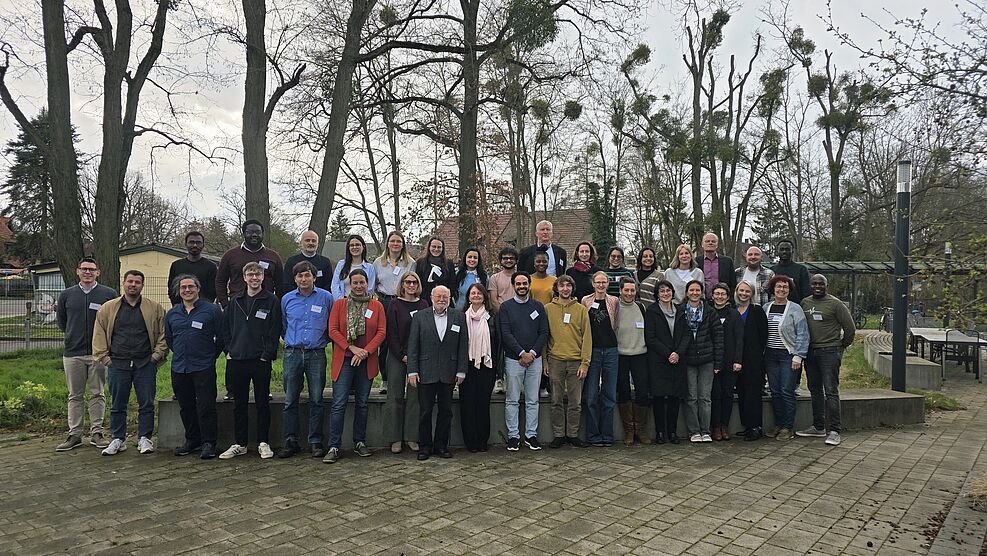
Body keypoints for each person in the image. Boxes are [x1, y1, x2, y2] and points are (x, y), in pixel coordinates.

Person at [92, 270, 168, 456]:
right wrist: (105, 358)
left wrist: (156, 356)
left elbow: (164, 334)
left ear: (142, 286)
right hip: (118, 363)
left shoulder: (155, 308)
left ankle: (145, 438)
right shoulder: (108, 308)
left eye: (137, 282)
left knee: (146, 403)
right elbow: (99, 334)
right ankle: (118, 438)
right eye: (130, 281)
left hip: (145, 363)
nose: (133, 285)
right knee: (118, 404)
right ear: (124, 284)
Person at [219, 262, 281, 460]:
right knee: (239, 404)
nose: (254, 278)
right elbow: (225, 328)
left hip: (260, 360)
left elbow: (275, 329)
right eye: (250, 274)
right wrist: (228, 350)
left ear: (263, 277)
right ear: (244, 277)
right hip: (237, 359)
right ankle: (240, 443)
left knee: (262, 402)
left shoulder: (271, 300)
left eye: (258, 274)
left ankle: (263, 442)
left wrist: (267, 354)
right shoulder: (234, 300)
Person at [55, 257, 118, 452]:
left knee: (97, 393)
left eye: (91, 269)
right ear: (78, 272)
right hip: (73, 353)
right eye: (84, 269)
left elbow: (113, 321)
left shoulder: (108, 294)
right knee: (75, 395)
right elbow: (62, 322)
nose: (88, 273)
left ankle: (97, 432)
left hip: (98, 353)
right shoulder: (67, 295)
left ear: (98, 272)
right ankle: (75, 434)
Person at [325, 269, 386, 463]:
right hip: (344, 359)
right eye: (355, 283)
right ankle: (334, 445)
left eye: (362, 282)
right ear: (349, 285)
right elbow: (333, 331)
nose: (359, 286)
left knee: (362, 403)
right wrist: (351, 347)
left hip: (366, 361)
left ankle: (360, 442)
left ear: (368, 284)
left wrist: (365, 351)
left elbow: (381, 332)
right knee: (339, 403)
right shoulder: (340, 305)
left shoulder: (376, 306)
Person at [276, 261, 334, 459]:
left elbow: (331, 325)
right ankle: (290, 440)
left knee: (317, 399)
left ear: (314, 277)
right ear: (295, 279)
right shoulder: (286, 299)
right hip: (292, 353)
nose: (303, 279)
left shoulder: (326, 298)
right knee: (290, 399)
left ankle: (315, 441)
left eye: (307, 275)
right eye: (300, 276)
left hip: (316, 353)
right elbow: (283, 325)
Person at [164, 274, 223, 459]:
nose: (187, 290)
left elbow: (221, 337)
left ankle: (208, 442)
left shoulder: (212, 310)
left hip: (203, 367)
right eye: (183, 288)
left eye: (191, 287)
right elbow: (169, 338)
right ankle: (192, 440)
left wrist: (210, 356)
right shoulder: (172, 313)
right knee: (186, 406)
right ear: (178, 291)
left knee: (206, 406)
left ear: (198, 288)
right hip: (180, 367)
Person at [407, 286, 468, 460]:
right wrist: (412, 370)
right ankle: (425, 446)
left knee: (446, 411)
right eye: (439, 296)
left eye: (445, 296)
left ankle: (441, 446)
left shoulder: (459, 316)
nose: (442, 299)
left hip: (449, 371)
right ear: (431, 297)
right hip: (426, 371)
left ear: (449, 298)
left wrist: (462, 370)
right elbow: (413, 346)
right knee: (425, 411)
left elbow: (463, 346)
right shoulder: (420, 316)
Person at [797, 274, 855, 447]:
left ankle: (835, 430)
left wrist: (840, 346)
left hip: (830, 351)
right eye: (814, 283)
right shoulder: (805, 303)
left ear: (826, 285)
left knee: (830, 391)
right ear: (810, 285)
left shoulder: (836, 304)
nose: (817, 286)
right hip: (810, 351)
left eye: (820, 284)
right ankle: (818, 426)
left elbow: (850, 328)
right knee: (814, 390)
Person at [499, 271, 549, 451]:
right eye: (518, 284)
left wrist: (533, 353)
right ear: (513, 286)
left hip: (535, 360)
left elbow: (544, 332)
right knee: (512, 399)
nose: (521, 286)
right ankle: (513, 436)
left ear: (529, 285)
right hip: (514, 359)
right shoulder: (506, 307)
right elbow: (506, 334)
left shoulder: (538, 306)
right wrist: (521, 353)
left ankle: (531, 435)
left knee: (532, 399)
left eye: (524, 283)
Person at [543, 275, 591, 449]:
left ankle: (572, 434)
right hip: (555, 360)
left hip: (576, 361)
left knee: (575, 402)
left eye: (568, 286)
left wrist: (585, 363)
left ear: (572, 288)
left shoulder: (581, 309)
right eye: (562, 286)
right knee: (555, 400)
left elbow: (587, 337)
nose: (565, 289)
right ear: (557, 288)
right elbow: (544, 336)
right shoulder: (548, 309)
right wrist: (545, 361)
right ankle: (558, 435)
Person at [384, 271, 428, 454]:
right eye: (407, 282)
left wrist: (415, 356)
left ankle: (412, 437)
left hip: (418, 358)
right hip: (397, 356)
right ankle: (395, 438)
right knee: (394, 396)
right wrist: (402, 355)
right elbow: (391, 332)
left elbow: (427, 331)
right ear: (402, 285)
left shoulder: (424, 304)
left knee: (414, 397)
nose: (411, 285)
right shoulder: (394, 304)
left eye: (414, 282)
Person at [763, 275, 810, 440]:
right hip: (770, 355)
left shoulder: (795, 309)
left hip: (787, 355)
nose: (781, 289)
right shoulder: (766, 307)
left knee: (786, 390)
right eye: (778, 287)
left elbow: (803, 334)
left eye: (785, 287)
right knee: (775, 391)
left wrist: (798, 355)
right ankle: (779, 423)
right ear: (773, 289)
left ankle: (787, 427)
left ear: (789, 290)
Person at [644, 280, 689, 444]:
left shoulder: (681, 311)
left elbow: (687, 334)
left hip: (677, 360)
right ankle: (660, 432)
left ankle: (672, 431)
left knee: (674, 398)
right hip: (659, 360)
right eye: (662, 291)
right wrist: (668, 353)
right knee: (659, 397)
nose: (665, 293)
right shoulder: (651, 311)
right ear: (657, 294)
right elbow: (650, 337)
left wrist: (677, 353)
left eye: (668, 290)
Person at [373, 231, 416, 396]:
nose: (395, 244)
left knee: (403, 339)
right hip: (384, 302)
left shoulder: (410, 263)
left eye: (399, 241)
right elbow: (373, 284)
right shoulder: (378, 262)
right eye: (393, 241)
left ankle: (405, 380)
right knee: (384, 341)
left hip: (402, 302)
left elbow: (412, 281)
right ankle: (385, 379)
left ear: (403, 244)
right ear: (388, 243)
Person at [681, 280, 723, 443]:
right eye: (691, 290)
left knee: (705, 397)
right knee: (691, 397)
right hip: (688, 359)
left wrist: (718, 362)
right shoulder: (680, 310)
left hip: (707, 359)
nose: (694, 293)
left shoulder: (710, 312)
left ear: (702, 292)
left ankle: (705, 430)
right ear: (686, 292)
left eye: (697, 290)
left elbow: (718, 336)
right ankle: (693, 431)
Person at [460, 283, 499, 452]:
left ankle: (482, 440)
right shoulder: (461, 317)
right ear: (468, 296)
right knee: (467, 404)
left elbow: (498, 342)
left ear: (484, 296)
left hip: (486, 365)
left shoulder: (493, 317)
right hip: (467, 364)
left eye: (479, 293)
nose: (476, 296)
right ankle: (470, 441)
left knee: (482, 403)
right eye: (473, 293)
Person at [582, 271, 619, 447]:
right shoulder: (585, 301)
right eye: (598, 282)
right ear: (593, 284)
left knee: (609, 394)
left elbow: (617, 324)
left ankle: (607, 434)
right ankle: (593, 434)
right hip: (593, 351)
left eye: (604, 282)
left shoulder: (614, 301)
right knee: (591, 396)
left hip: (611, 350)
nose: (601, 285)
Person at [615, 278, 651, 446]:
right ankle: (629, 430)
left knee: (643, 392)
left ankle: (641, 429)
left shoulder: (641, 307)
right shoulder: (614, 308)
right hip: (621, 354)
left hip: (640, 354)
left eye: (632, 290)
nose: (629, 293)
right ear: (620, 291)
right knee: (623, 392)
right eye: (626, 290)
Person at [215, 219, 283, 306]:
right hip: (237, 305)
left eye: (258, 232)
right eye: (250, 232)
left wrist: (276, 304)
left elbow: (280, 283)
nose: (254, 235)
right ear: (244, 234)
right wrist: (225, 304)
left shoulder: (273, 257)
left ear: (263, 234)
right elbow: (220, 281)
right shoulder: (230, 255)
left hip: (266, 305)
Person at [734, 280, 769, 441]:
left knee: (753, 394)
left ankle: (755, 427)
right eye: (741, 290)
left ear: (752, 294)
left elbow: (763, 336)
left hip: (753, 360)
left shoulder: (757, 311)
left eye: (747, 291)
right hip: (736, 359)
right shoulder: (733, 310)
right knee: (741, 392)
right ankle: (746, 426)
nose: (744, 294)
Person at [709, 283, 743, 441]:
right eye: (717, 293)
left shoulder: (734, 314)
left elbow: (739, 339)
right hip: (713, 361)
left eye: (723, 294)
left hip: (730, 361)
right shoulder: (708, 312)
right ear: (712, 296)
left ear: (728, 297)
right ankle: (715, 426)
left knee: (727, 394)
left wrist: (738, 360)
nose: (719, 296)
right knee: (715, 394)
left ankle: (724, 425)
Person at [167, 231, 217, 305]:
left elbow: (213, 291)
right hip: (180, 309)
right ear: (186, 244)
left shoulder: (211, 267)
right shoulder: (176, 265)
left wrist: (205, 308)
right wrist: (177, 306)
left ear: (203, 245)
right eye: (191, 242)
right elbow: (172, 289)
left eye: (198, 242)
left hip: (203, 310)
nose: (195, 245)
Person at [281, 230, 333, 295]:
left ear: (318, 243)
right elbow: (287, 283)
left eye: (313, 241)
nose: (311, 243)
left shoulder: (325, 262)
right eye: (307, 240)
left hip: (319, 299)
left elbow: (329, 283)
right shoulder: (291, 261)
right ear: (301, 243)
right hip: (297, 299)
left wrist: (317, 296)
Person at [331, 234, 376, 299]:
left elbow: (370, 289)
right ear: (348, 248)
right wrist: (341, 302)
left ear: (363, 247)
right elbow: (335, 285)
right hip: (343, 302)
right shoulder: (341, 265)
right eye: (352, 245)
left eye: (357, 245)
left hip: (363, 303)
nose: (355, 247)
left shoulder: (370, 267)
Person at [415, 236, 457, 304]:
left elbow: (453, 283)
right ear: (429, 247)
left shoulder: (449, 264)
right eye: (434, 246)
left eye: (439, 247)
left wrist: (447, 295)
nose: (436, 249)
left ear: (442, 248)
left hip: (443, 300)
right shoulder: (421, 263)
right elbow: (418, 282)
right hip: (425, 300)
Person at [700, 233, 736, 299]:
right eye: (707, 241)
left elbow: (733, 284)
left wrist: (730, 300)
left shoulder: (727, 261)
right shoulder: (696, 261)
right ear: (702, 244)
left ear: (717, 245)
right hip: (703, 301)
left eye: (713, 241)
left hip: (722, 301)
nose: (710, 243)